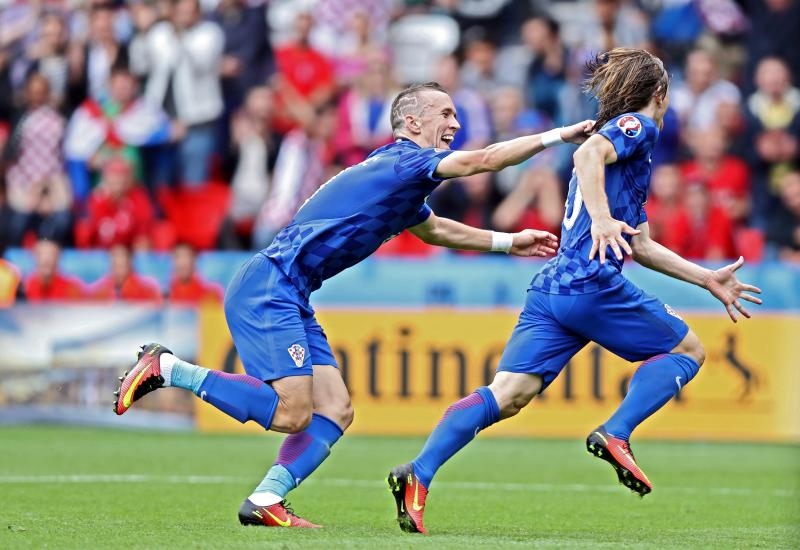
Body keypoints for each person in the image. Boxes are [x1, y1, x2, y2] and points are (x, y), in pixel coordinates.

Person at [113, 81, 593, 528]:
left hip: (291, 291)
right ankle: (169, 368)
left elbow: (437, 229)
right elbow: (483, 160)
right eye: (445, 113)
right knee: (291, 413)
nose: (455, 123)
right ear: (412, 123)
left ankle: (265, 500)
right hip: (269, 285)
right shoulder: (406, 162)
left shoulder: (403, 182)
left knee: (337, 409)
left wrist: (509, 243)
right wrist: (558, 136)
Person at [387, 49, 763, 535]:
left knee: (510, 393)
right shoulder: (638, 128)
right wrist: (603, 218)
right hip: (591, 283)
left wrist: (706, 277)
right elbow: (586, 154)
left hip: (554, 285)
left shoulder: (631, 156)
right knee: (687, 349)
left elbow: (642, 246)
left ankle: (419, 472)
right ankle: (616, 433)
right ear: (662, 94)